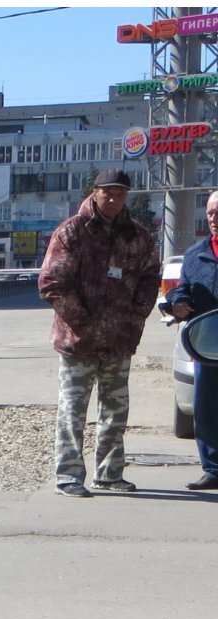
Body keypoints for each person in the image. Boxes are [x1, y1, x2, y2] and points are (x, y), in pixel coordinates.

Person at [38, 167, 161, 497]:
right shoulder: (73, 232)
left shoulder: (138, 236)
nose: (113, 199)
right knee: (72, 412)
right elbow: (52, 284)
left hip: (120, 341)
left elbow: (151, 279)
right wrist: (86, 324)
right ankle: (69, 476)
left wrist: (135, 319)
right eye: (108, 192)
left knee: (115, 411)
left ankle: (108, 474)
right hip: (78, 342)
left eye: (120, 194)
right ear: (95, 192)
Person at [163, 188, 218, 491]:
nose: (214, 218)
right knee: (206, 409)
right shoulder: (195, 254)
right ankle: (212, 469)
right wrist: (177, 300)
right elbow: (182, 288)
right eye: (210, 212)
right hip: (207, 345)